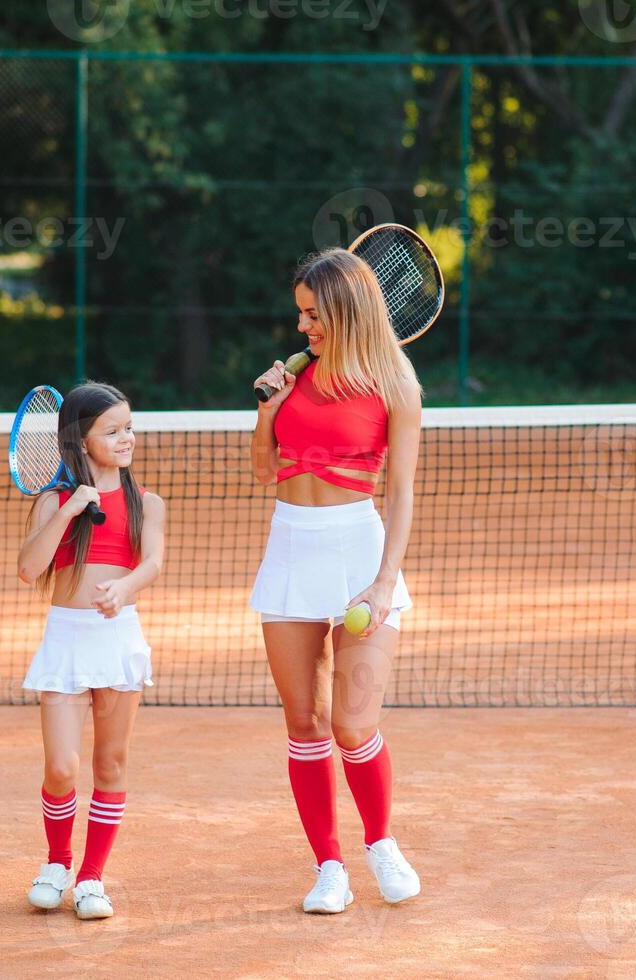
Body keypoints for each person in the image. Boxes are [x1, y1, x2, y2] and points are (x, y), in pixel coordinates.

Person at [249, 248, 424, 913]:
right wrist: (267, 408)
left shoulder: (396, 386)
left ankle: (379, 844)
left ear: (346, 311)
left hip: (360, 554)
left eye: (313, 315)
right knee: (304, 722)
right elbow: (264, 472)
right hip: (292, 551)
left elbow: (403, 492)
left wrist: (383, 584)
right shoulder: (294, 377)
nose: (302, 328)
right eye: (299, 315)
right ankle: (328, 867)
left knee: (353, 724)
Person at [16, 382, 166, 920]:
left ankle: (91, 879)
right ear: (81, 442)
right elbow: (29, 568)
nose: (127, 438)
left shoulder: (146, 502)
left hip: (119, 639)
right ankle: (57, 862)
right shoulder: (54, 501)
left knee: (111, 761)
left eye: (129, 427)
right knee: (61, 766)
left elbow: (152, 562)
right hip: (66, 640)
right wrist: (69, 510)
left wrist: (125, 590)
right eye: (113, 430)